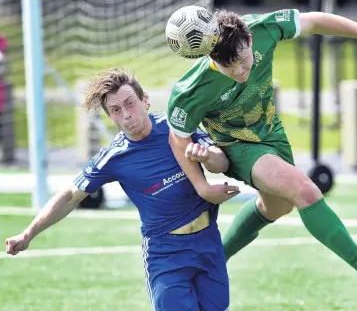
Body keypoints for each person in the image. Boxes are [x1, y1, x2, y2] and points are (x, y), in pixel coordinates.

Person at [167, 8, 357, 300]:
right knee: (306, 192)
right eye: (230, 69)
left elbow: (315, 21)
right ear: (212, 59)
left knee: (277, 207)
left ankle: (210, 262)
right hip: (237, 147)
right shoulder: (191, 90)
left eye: (245, 63)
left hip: (273, 134)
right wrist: (202, 186)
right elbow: (177, 137)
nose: (241, 73)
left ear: (249, 39)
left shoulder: (263, 29)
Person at [5, 68, 240, 311]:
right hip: (166, 254)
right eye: (116, 110)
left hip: (208, 242)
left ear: (144, 100)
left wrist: (206, 155)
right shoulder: (114, 157)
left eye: (130, 103)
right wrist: (27, 234)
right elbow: (69, 197)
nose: (127, 114)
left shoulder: (177, 128)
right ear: (111, 117)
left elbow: (221, 162)